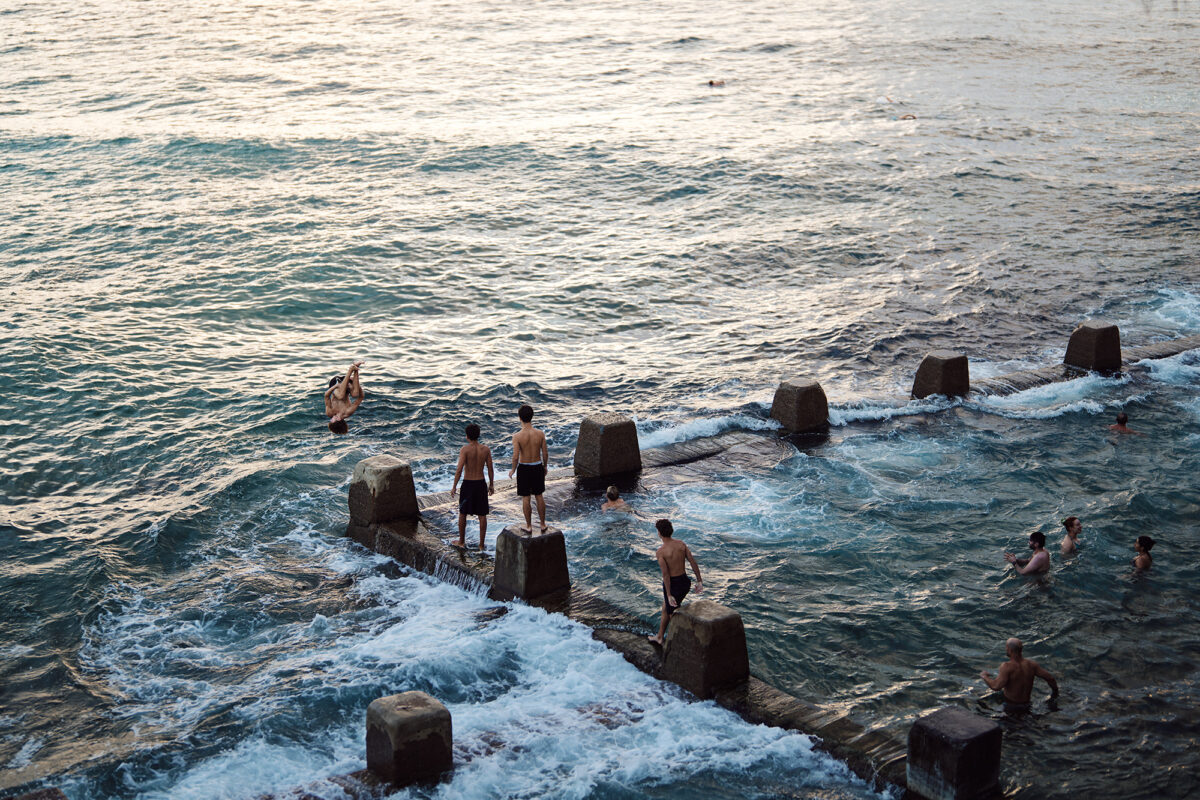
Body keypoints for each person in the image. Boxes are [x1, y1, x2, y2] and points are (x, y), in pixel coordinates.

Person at [648, 519, 704, 645]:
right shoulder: (681, 545)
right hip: (684, 582)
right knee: (666, 608)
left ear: (659, 533)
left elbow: (666, 575)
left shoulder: (661, 552)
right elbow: (692, 562)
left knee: (673, 614)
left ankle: (685, 642)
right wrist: (699, 580)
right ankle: (660, 636)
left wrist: (668, 594)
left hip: (673, 585)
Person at [980, 637, 1059, 713]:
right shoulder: (1031, 665)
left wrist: (984, 676)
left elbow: (996, 687)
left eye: (1006, 647)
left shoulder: (1006, 666)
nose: (1006, 649)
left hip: (1011, 706)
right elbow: (1050, 678)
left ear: (1010, 650)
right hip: (1027, 705)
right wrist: (1055, 693)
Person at [450, 423, 495, 549]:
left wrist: (454, 486)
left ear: (467, 436)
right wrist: (491, 485)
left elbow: (459, 470)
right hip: (481, 484)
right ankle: (481, 545)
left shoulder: (465, 449)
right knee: (482, 515)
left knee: (463, 513)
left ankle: (462, 542)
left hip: (468, 484)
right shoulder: (486, 449)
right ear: (478, 435)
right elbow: (490, 469)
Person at [508, 404, 549, 533]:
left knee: (526, 497)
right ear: (532, 417)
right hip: (537, 466)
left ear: (520, 418)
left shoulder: (517, 436)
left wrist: (513, 469)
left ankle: (529, 526)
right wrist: (545, 466)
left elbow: (515, 456)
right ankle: (542, 524)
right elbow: (545, 453)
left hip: (524, 468)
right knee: (539, 495)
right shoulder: (540, 434)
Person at [324, 361, 364, 433]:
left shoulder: (329, 413)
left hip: (335, 383)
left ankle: (350, 369)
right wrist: (358, 386)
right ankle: (356, 367)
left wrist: (335, 386)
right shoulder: (348, 412)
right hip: (346, 385)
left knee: (340, 396)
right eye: (332, 420)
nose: (330, 419)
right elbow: (360, 397)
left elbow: (326, 395)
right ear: (338, 419)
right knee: (355, 394)